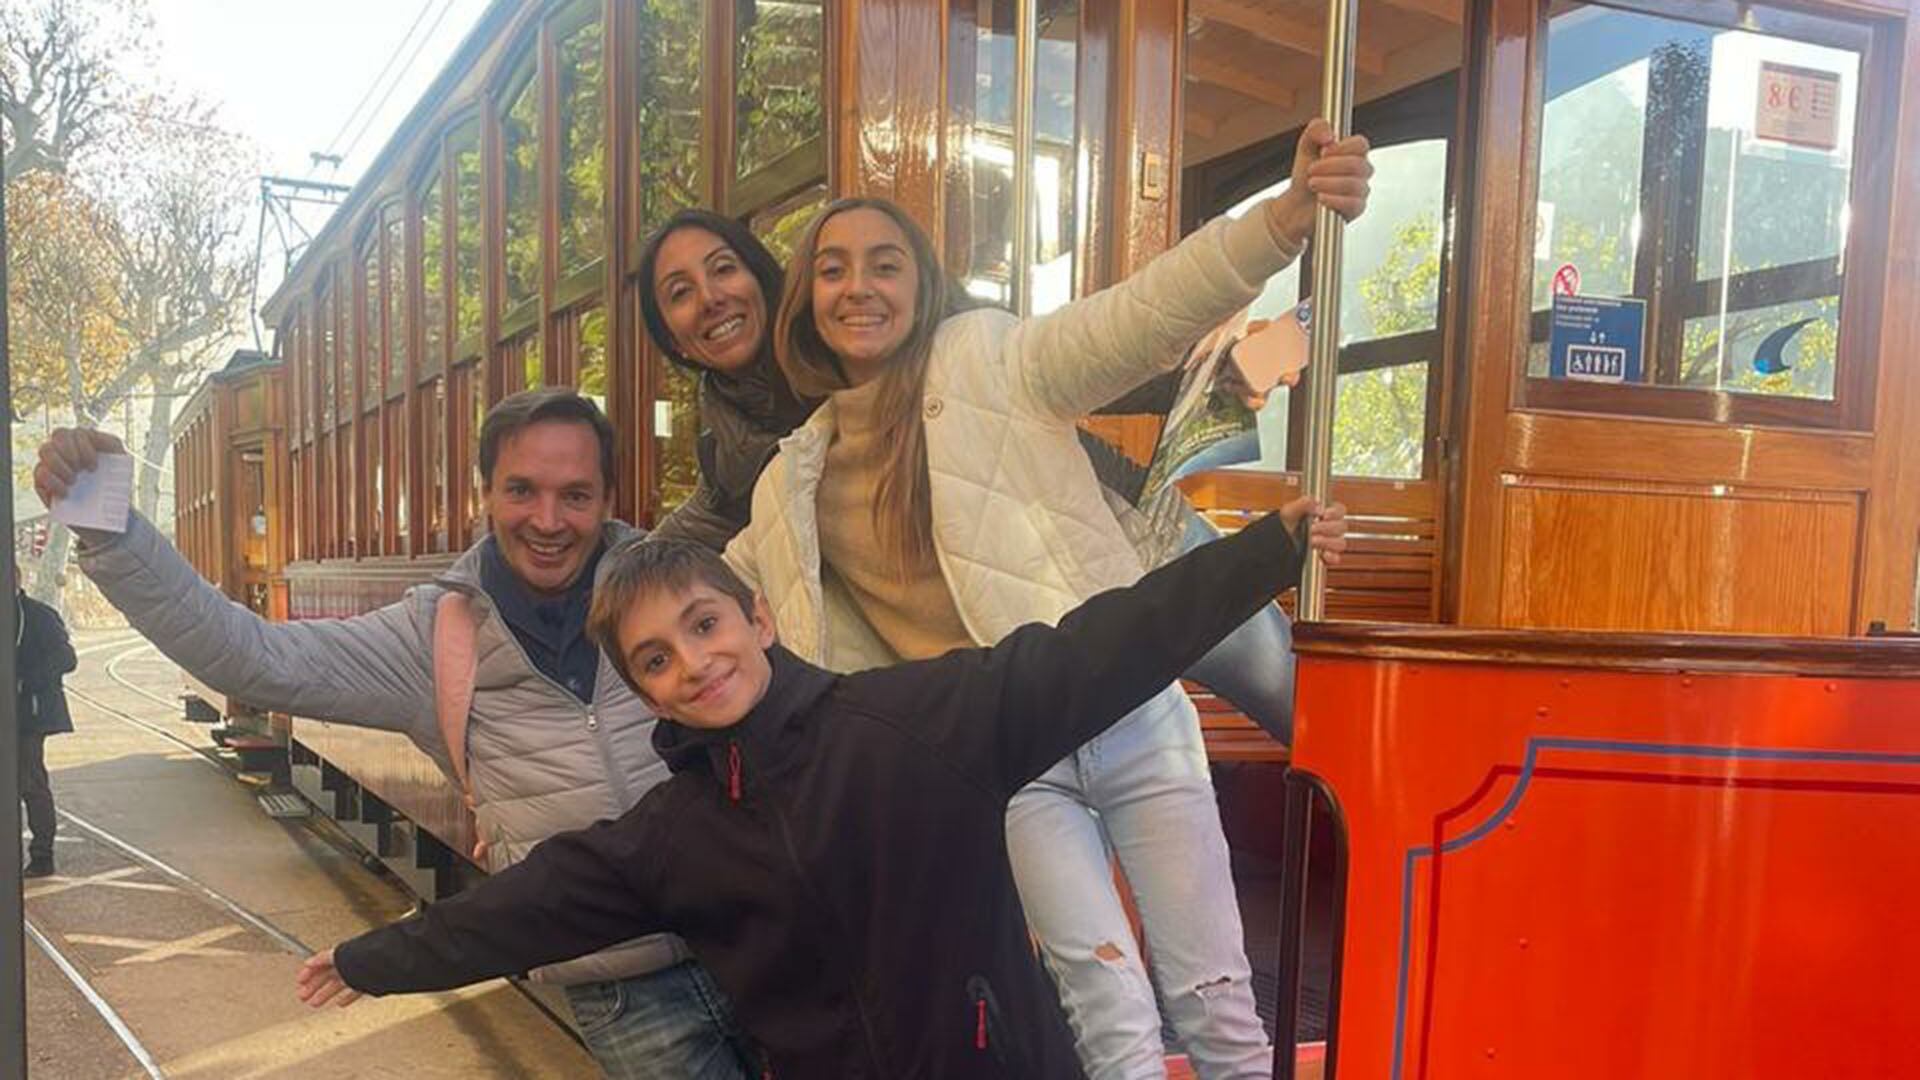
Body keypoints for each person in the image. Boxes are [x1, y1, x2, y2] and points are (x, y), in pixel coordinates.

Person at [723, 119, 1371, 1077]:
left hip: (1128, 711)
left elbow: (1141, 315)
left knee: (1215, 1003)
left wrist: (1282, 219)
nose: (858, 286)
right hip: (1010, 762)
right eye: (831, 269)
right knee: (1106, 1014)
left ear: (922, 283)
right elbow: (712, 606)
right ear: (804, 302)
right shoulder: (791, 482)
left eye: (885, 264)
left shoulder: (991, 358)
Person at [295, 498, 1348, 1080]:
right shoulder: (671, 838)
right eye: (657, 660)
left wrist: (1268, 552)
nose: (694, 664)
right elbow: (528, 908)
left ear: (758, 618)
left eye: (703, 627)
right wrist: (371, 959)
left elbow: (1097, 648)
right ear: (646, 696)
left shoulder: (915, 723)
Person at [32, 390, 753, 1080]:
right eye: (521, 490)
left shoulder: (672, 591)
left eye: (575, 495)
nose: (548, 519)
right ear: (485, 494)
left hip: (755, 939)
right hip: (620, 988)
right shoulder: (434, 635)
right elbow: (250, 657)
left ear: (606, 500)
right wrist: (113, 531)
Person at [636, 209, 819, 552]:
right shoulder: (723, 446)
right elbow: (689, 531)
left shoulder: (841, 361)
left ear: (759, 278)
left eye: (723, 269)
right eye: (680, 293)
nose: (710, 298)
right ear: (674, 342)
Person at [15, 570, 77, 879]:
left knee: (30, 782)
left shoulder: (39, 616)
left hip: (29, 715)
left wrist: (27, 681)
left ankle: (42, 855)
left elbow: (66, 658)